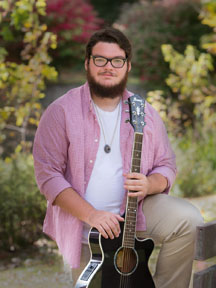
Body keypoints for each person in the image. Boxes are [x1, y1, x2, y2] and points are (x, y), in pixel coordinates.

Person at [33, 27, 203, 288]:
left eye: (117, 60)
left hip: (135, 212)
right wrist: (92, 215)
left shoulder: (144, 111)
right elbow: (48, 176)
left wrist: (150, 184)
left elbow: (166, 165)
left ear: (128, 66)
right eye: (100, 59)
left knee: (188, 220)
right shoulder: (61, 112)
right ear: (88, 63)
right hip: (87, 227)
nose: (108, 67)